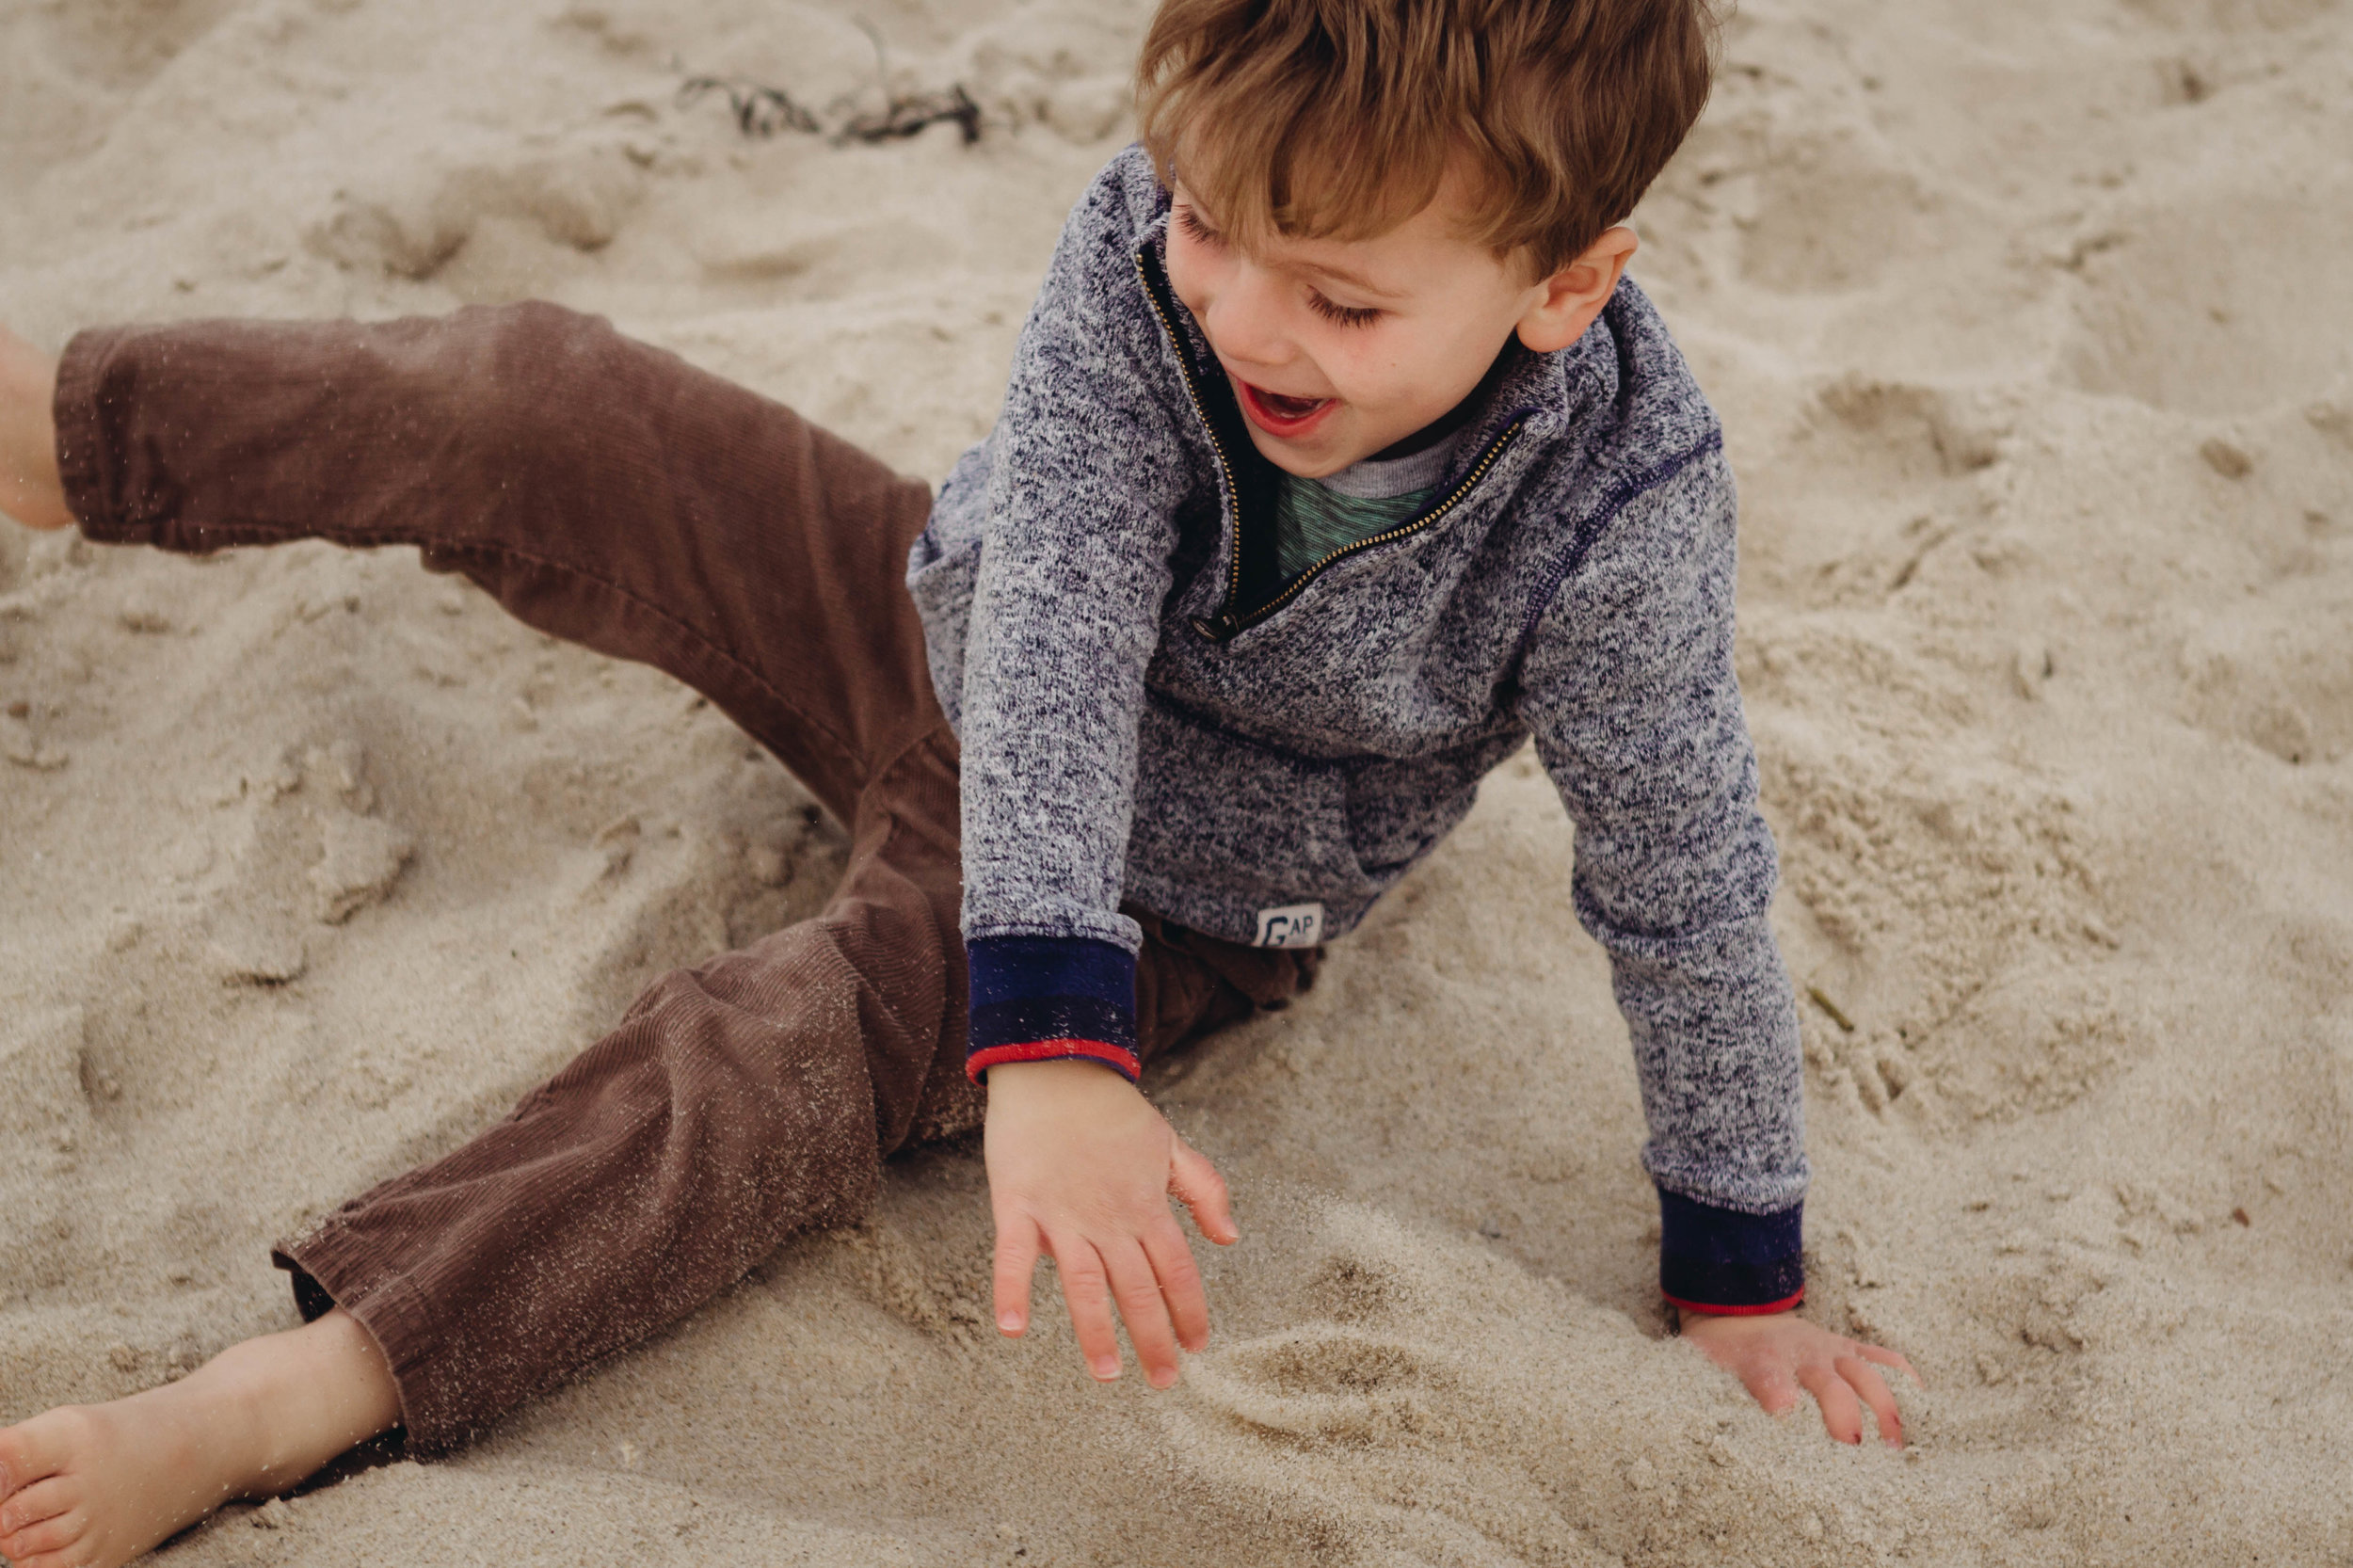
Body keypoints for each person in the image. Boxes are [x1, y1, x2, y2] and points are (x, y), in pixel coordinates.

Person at [0, 0, 1920, 1561]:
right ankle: (69, 433)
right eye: (1207, 225)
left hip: (1180, 895)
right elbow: (1066, 610)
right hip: (939, 627)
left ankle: (295, 1387)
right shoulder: (1141, 249)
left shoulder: (1621, 515)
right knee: (538, 387)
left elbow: (1680, 879)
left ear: (1567, 285)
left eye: (1338, 301)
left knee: (769, 1047)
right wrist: (1046, 1036)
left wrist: (1740, 1270)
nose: (1242, 315)